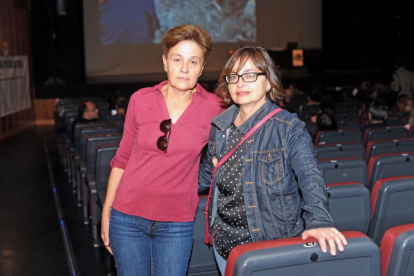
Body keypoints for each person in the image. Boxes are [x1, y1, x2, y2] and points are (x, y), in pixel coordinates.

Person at [199, 46, 347, 275]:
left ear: (268, 82)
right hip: (224, 246)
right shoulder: (220, 128)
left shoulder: (288, 128)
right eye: (234, 76)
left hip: (269, 247)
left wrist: (319, 221)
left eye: (250, 75)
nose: (240, 83)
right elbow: (206, 176)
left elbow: (310, 176)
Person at [101, 24, 222, 276]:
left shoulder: (214, 107)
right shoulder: (140, 99)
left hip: (176, 223)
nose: (184, 68)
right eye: (177, 59)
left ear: (202, 67)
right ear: (165, 61)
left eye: (193, 61)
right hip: (127, 218)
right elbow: (121, 159)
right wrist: (107, 212)